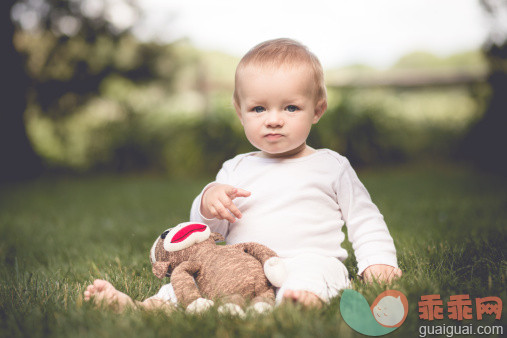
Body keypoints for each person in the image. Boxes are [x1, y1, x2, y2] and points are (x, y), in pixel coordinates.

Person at [84, 38, 402, 311]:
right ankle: (144, 306)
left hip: (308, 258)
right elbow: (210, 233)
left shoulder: (332, 166)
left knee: (319, 272)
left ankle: (300, 300)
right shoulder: (235, 169)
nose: (273, 120)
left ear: (317, 110)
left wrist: (378, 260)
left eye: (290, 108)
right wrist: (208, 204)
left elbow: (364, 218)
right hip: (243, 266)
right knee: (200, 279)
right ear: (240, 112)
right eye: (258, 109)